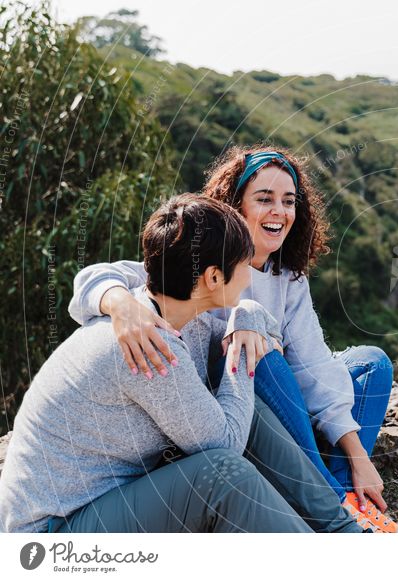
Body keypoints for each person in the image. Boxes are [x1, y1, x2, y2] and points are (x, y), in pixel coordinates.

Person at [68, 147, 398, 532]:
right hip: (231, 413)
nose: (279, 211)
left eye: (288, 201)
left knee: (371, 362)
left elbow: (314, 367)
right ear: (235, 205)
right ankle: (333, 504)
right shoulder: (203, 259)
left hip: (285, 403)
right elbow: (96, 278)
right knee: (261, 356)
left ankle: (343, 491)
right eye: (264, 199)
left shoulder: (288, 277)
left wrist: (358, 455)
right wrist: (119, 303)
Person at [0, 194, 365, 533]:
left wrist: (247, 316)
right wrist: (238, 351)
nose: (251, 273)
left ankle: (342, 531)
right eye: (244, 262)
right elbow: (225, 443)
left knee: (242, 404)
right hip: (54, 533)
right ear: (213, 277)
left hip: (115, 500)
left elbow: (258, 325)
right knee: (222, 474)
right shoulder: (150, 348)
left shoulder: (180, 313)